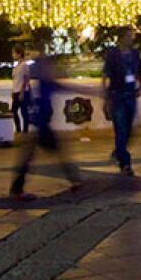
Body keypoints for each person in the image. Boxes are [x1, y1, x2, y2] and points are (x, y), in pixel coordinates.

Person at [10, 49, 82, 200]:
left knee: (33, 156)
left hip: (41, 125)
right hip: (42, 126)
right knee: (54, 153)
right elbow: (71, 88)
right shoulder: (45, 84)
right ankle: (74, 179)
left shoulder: (44, 83)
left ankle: (17, 188)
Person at [103, 28, 141, 176]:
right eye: (128, 36)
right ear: (121, 38)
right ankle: (125, 162)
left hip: (130, 95)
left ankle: (119, 151)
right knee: (121, 128)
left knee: (129, 129)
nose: (131, 39)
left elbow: (140, 71)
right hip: (117, 95)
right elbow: (106, 75)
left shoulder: (134, 54)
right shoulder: (113, 54)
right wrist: (106, 98)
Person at [11, 47, 31, 134]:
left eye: (14, 53)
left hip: (22, 91)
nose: (13, 55)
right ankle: (18, 128)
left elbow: (26, 79)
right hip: (16, 90)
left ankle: (25, 129)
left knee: (24, 111)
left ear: (19, 54)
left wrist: (22, 91)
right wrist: (12, 91)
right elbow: (15, 79)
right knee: (14, 111)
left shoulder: (24, 65)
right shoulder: (16, 66)